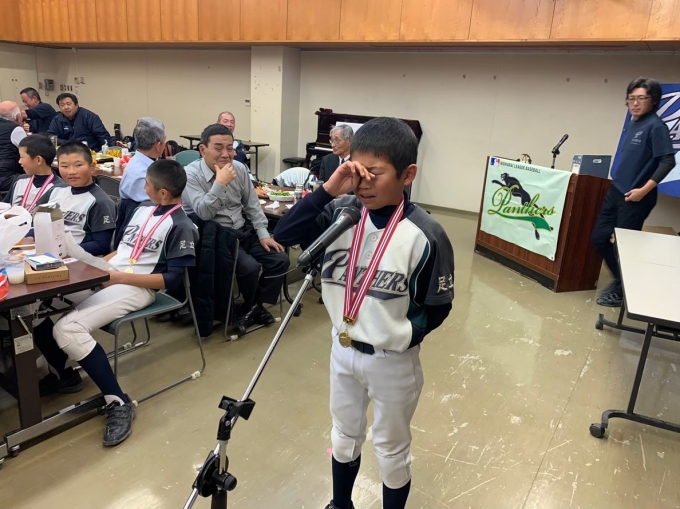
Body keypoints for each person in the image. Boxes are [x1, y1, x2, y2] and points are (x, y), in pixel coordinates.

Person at [274, 117, 455, 509]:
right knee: (343, 436)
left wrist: (402, 335)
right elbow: (283, 236)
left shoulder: (425, 233)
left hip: (392, 361)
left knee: (390, 449)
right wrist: (327, 190)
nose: (364, 183)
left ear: (408, 174)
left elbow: (438, 306)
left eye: (376, 173)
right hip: (342, 350)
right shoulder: (339, 215)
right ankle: (341, 504)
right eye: (358, 171)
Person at [33, 159, 199, 446]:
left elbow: (171, 280)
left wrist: (119, 277)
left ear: (162, 193)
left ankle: (119, 402)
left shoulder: (181, 226)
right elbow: (123, 251)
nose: (143, 187)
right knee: (35, 310)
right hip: (111, 276)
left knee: (67, 329)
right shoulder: (143, 210)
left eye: (147, 183)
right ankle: (64, 375)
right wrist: (94, 267)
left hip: (137, 287)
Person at [182, 123, 289, 336]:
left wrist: (263, 234)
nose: (225, 154)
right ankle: (252, 308)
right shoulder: (190, 174)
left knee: (280, 259)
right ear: (203, 150)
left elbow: (252, 205)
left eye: (230, 148)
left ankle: (252, 307)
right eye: (218, 148)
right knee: (249, 268)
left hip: (242, 231)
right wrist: (219, 184)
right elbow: (203, 213)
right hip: (215, 238)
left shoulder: (239, 168)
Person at [591, 77, 676, 307]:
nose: (635, 103)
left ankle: (621, 291)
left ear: (653, 100)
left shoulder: (656, 126)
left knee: (625, 247)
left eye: (641, 98)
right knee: (599, 238)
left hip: (637, 197)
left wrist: (643, 190)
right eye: (631, 98)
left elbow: (668, 161)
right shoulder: (633, 122)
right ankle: (622, 281)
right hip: (616, 191)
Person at [38, 141, 116, 256]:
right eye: (64, 166)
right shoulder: (54, 190)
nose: (71, 172)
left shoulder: (100, 202)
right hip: (46, 251)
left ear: (92, 167)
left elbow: (101, 245)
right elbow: (36, 222)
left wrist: (62, 249)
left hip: (76, 258)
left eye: (78, 165)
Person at [117, 117, 167, 245]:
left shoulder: (135, 161)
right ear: (158, 145)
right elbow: (163, 204)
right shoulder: (145, 175)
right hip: (141, 231)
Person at [3, 135, 64, 208]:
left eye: (21, 157)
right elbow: (4, 206)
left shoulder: (59, 188)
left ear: (38, 160)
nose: (19, 161)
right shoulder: (20, 180)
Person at [47, 93, 112, 152]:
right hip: (66, 152)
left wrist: (106, 152)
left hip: (90, 152)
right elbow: (50, 136)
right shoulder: (57, 119)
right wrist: (68, 143)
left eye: (68, 104)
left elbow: (102, 136)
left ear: (76, 105)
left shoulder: (89, 117)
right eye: (62, 105)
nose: (66, 107)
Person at [0, 100, 28, 193]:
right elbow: (30, 150)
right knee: (41, 179)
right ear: (18, 116)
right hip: (6, 178)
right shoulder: (15, 129)